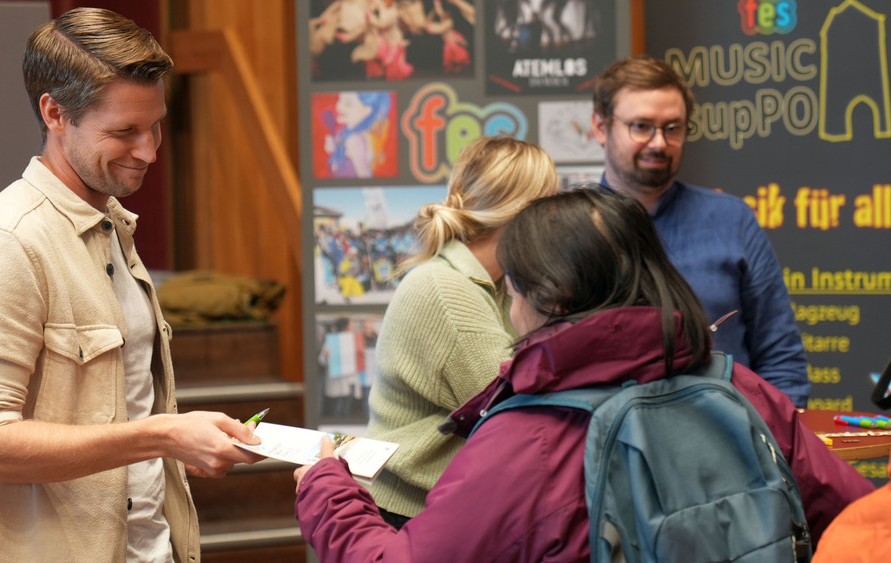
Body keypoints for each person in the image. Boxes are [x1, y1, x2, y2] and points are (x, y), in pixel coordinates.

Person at [293, 188, 873, 562]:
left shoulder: (530, 439)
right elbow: (863, 519)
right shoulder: (741, 390)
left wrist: (325, 485)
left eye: (509, 290)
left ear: (544, 297)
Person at [0, 8, 261, 563]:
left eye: (155, 125)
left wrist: (178, 441)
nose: (149, 150)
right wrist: (163, 435)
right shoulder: (5, 242)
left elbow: (118, 408)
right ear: (55, 114)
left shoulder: (111, 228)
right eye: (123, 131)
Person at [590, 54, 811, 407]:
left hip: (729, 442)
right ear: (601, 127)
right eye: (642, 126)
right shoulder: (570, 228)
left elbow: (780, 355)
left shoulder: (731, 219)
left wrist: (779, 443)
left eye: (672, 127)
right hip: (606, 445)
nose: (659, 143)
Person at [364, 135, 558, 528]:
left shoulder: (497, 285)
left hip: (433, 506)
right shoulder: (449, 291)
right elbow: (518, 408)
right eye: (550, 206)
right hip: (406, 514)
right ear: (523, 211)